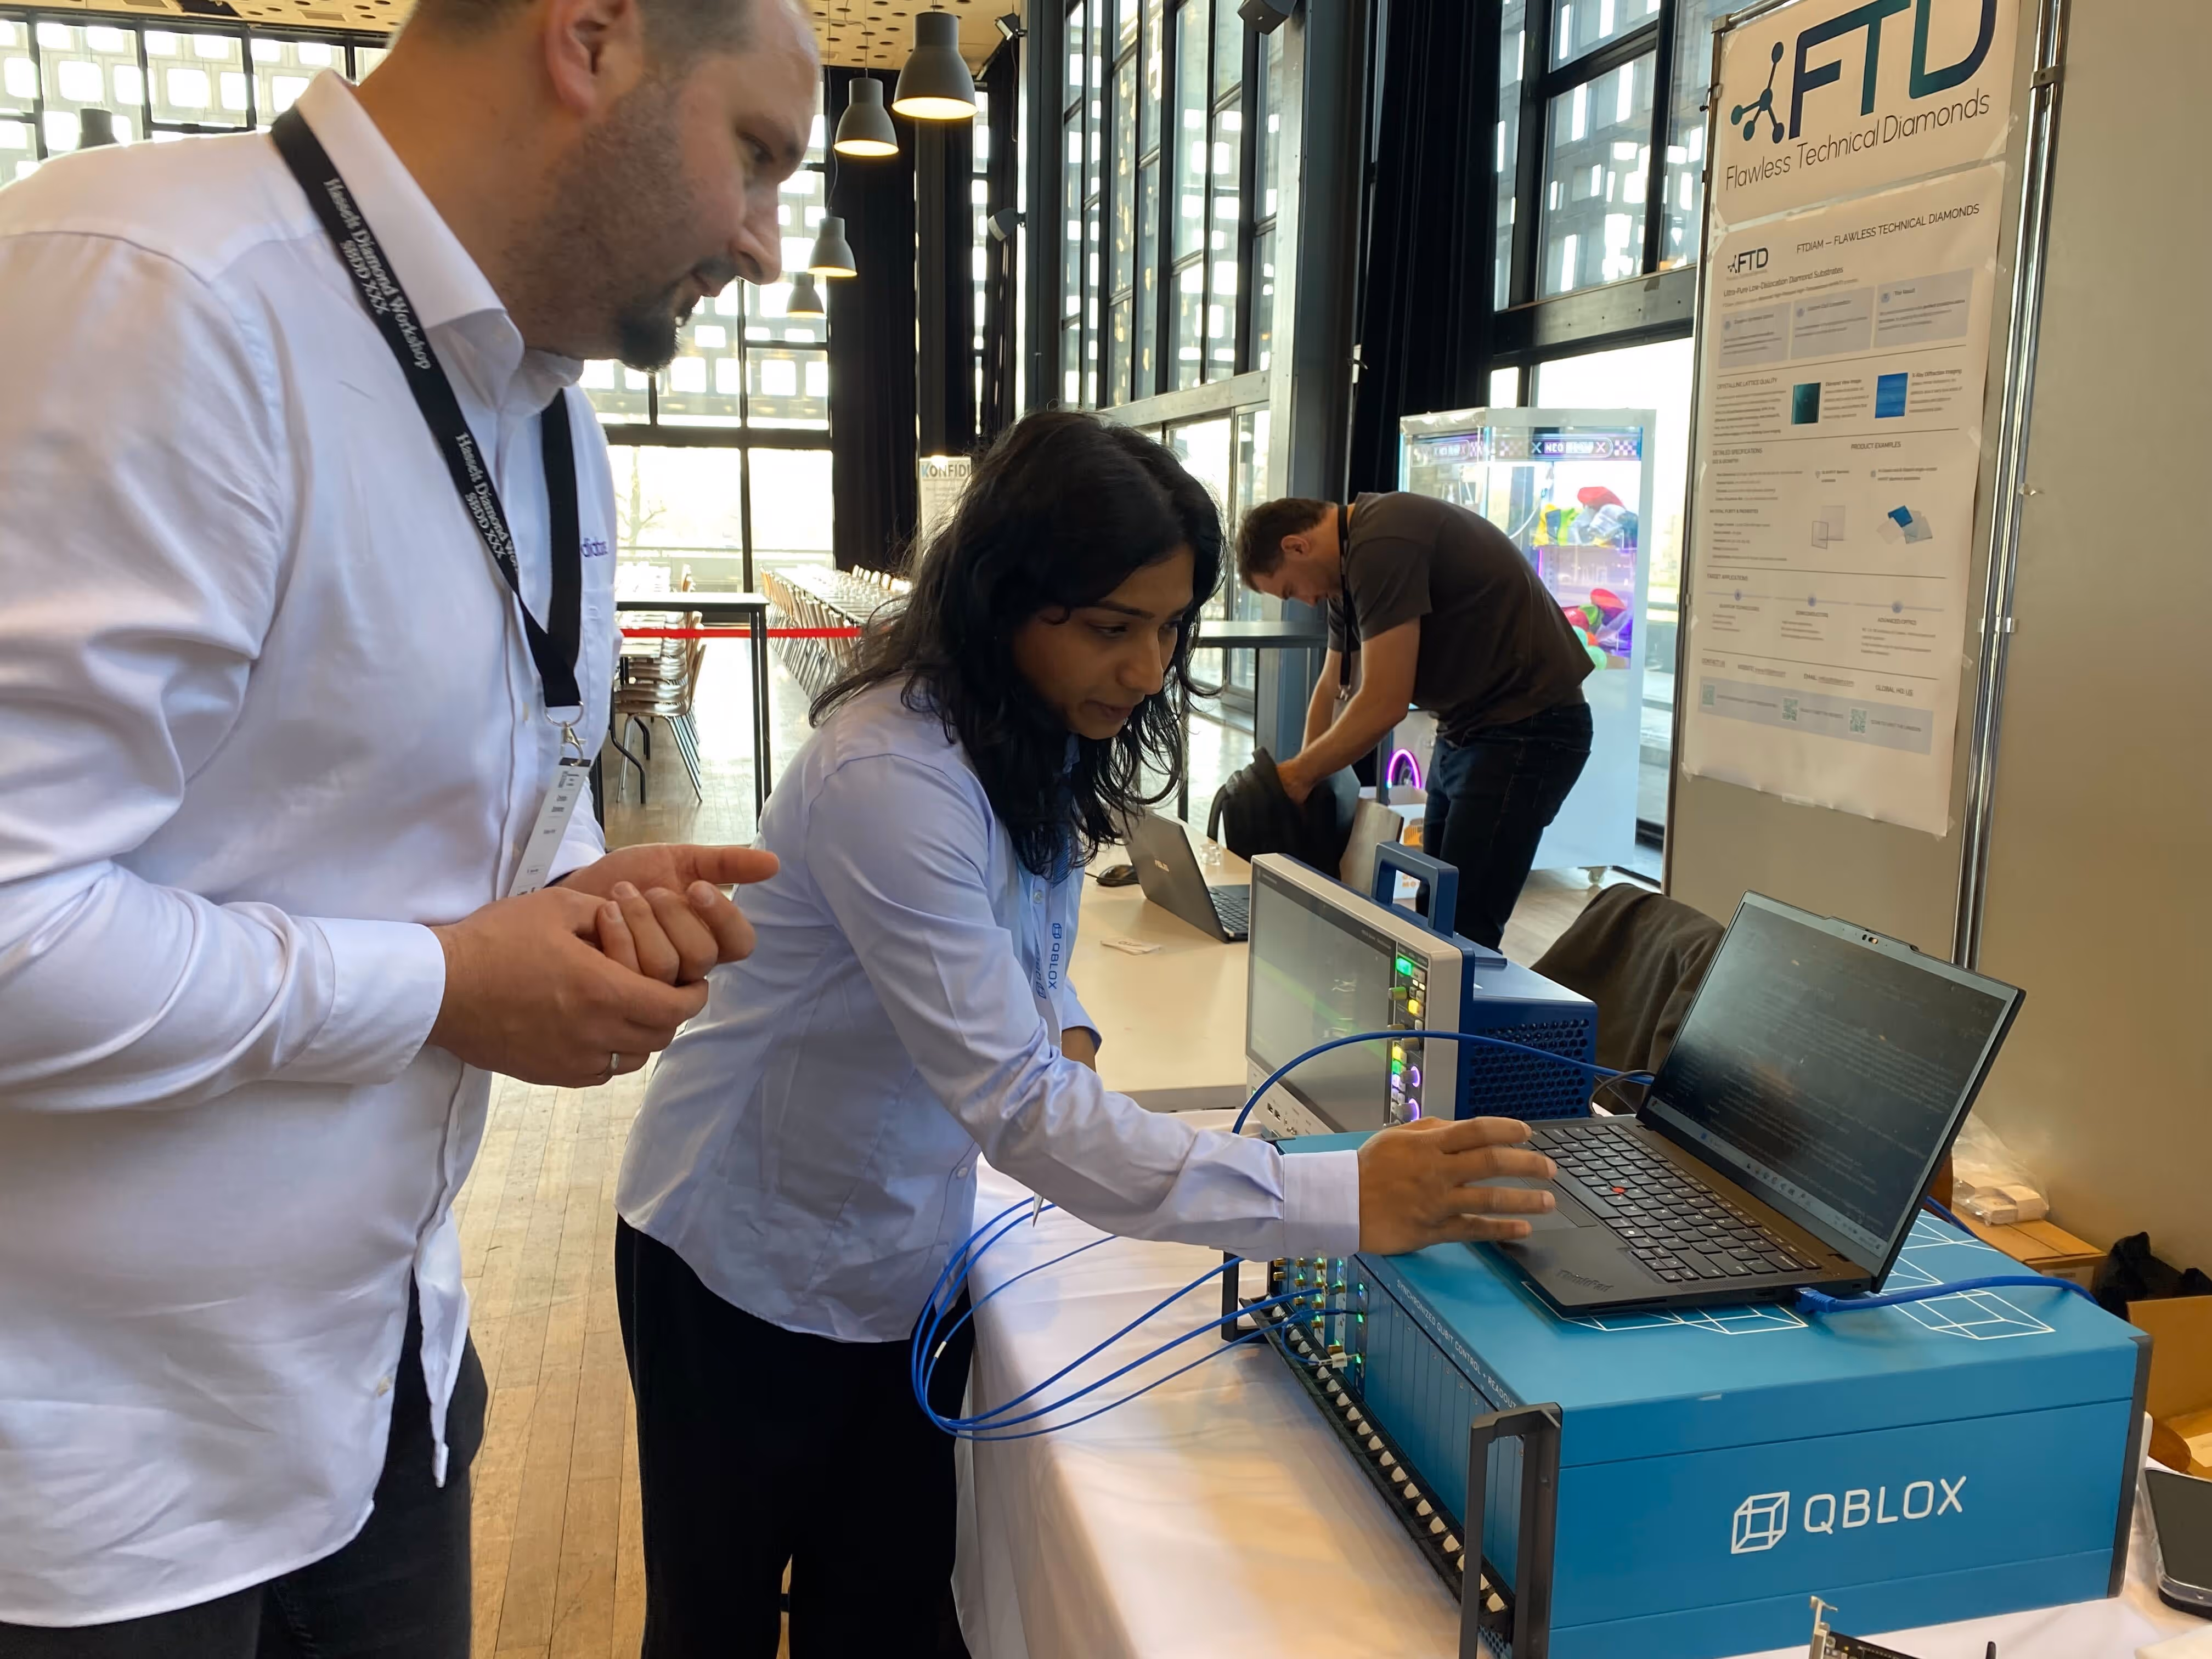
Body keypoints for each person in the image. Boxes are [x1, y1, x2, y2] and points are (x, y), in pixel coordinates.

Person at [0, 0, 816, 1647]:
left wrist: (577, 900)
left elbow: (394, 824)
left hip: (383, 1394)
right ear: (591, 41)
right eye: (756, 154)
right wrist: (445, 983)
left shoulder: (545, 417)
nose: (766, 244)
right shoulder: (155, 294)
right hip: (87, 1476)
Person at [612, 410, 1561, 1657]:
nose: (1145, 668)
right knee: (717, 1625)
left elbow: (1035, 957)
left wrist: (1063, 1036)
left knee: (888, 1608)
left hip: (895, 1244)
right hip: (742, 1253)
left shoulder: (1033, 737)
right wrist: (1342, 1198)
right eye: (1112, 628)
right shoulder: (889, 774)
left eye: (1169, 629)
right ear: (1006, 596)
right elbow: (1014, 1109)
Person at [1237, 492, 1596, 950]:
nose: (1305, 601)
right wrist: (1308, 781)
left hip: (1527, 728)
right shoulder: (1344, 575)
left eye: (1290, 590)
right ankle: (1422, 1021)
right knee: (1435, 911)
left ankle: (1454, 1024)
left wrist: (1297, 777)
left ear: (1296, 547)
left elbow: (1385, 702)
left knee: (1464, 927)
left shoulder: (1383, 541)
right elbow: (1332, 685)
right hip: (1469, 728)